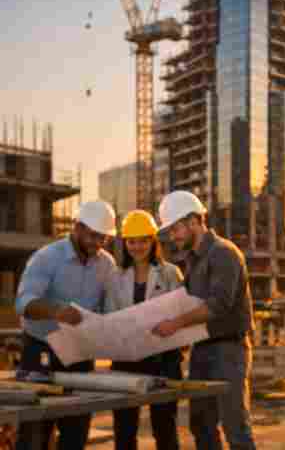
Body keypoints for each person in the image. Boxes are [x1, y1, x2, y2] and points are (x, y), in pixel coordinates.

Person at [151, 191, 256, 450]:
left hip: (229, 350)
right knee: (201, 425)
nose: (173, 237)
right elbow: (191, 304)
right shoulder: (193, 260)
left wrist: (175, 323)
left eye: (176, 229)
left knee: (235, 426)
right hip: (202, 348)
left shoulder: (224, 253)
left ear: (194, 221)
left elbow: (218, 305)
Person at [14, 200, 117, 450]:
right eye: (93, 236)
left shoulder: (107, 264)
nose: (98, 243)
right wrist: (56, 311)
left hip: (79, 356)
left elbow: (108, 311)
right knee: (34, 432)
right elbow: (23, 302)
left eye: (103, 238)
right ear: (77, 227)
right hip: (40, 352)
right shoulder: (47, 258)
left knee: (76, 431)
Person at [105, 210, 184, 450]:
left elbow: (180, 313)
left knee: (165, 428)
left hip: (164, 360)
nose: (137, 246)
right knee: (124, 430)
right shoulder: (116, 277)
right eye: (132, 241)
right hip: (126, 359)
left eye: (143, 240)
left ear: (153, 241)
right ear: (124, 243)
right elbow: (110, 317)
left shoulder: (170, 274)